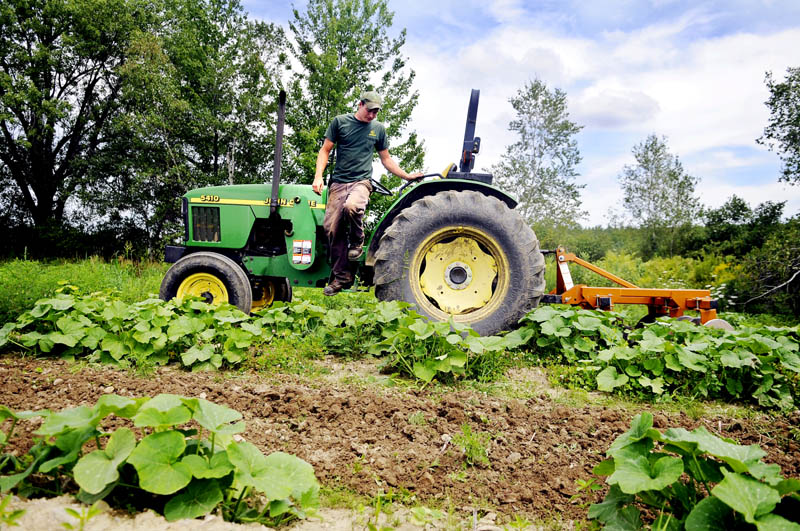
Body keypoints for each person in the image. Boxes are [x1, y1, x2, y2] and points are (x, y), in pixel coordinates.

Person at [313, 90, 423, 296]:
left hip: (361, 182)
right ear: (360, 104)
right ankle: (341, 277)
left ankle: (357, 241)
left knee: (352, 207)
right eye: (370, 110)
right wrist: (318, 176)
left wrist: (406, 176)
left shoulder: (378, 129)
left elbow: (386, 159)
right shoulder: (340, 123)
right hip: (338, 184)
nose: (372, 115)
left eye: (376, 112)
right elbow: (325, 150)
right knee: (330, 229)